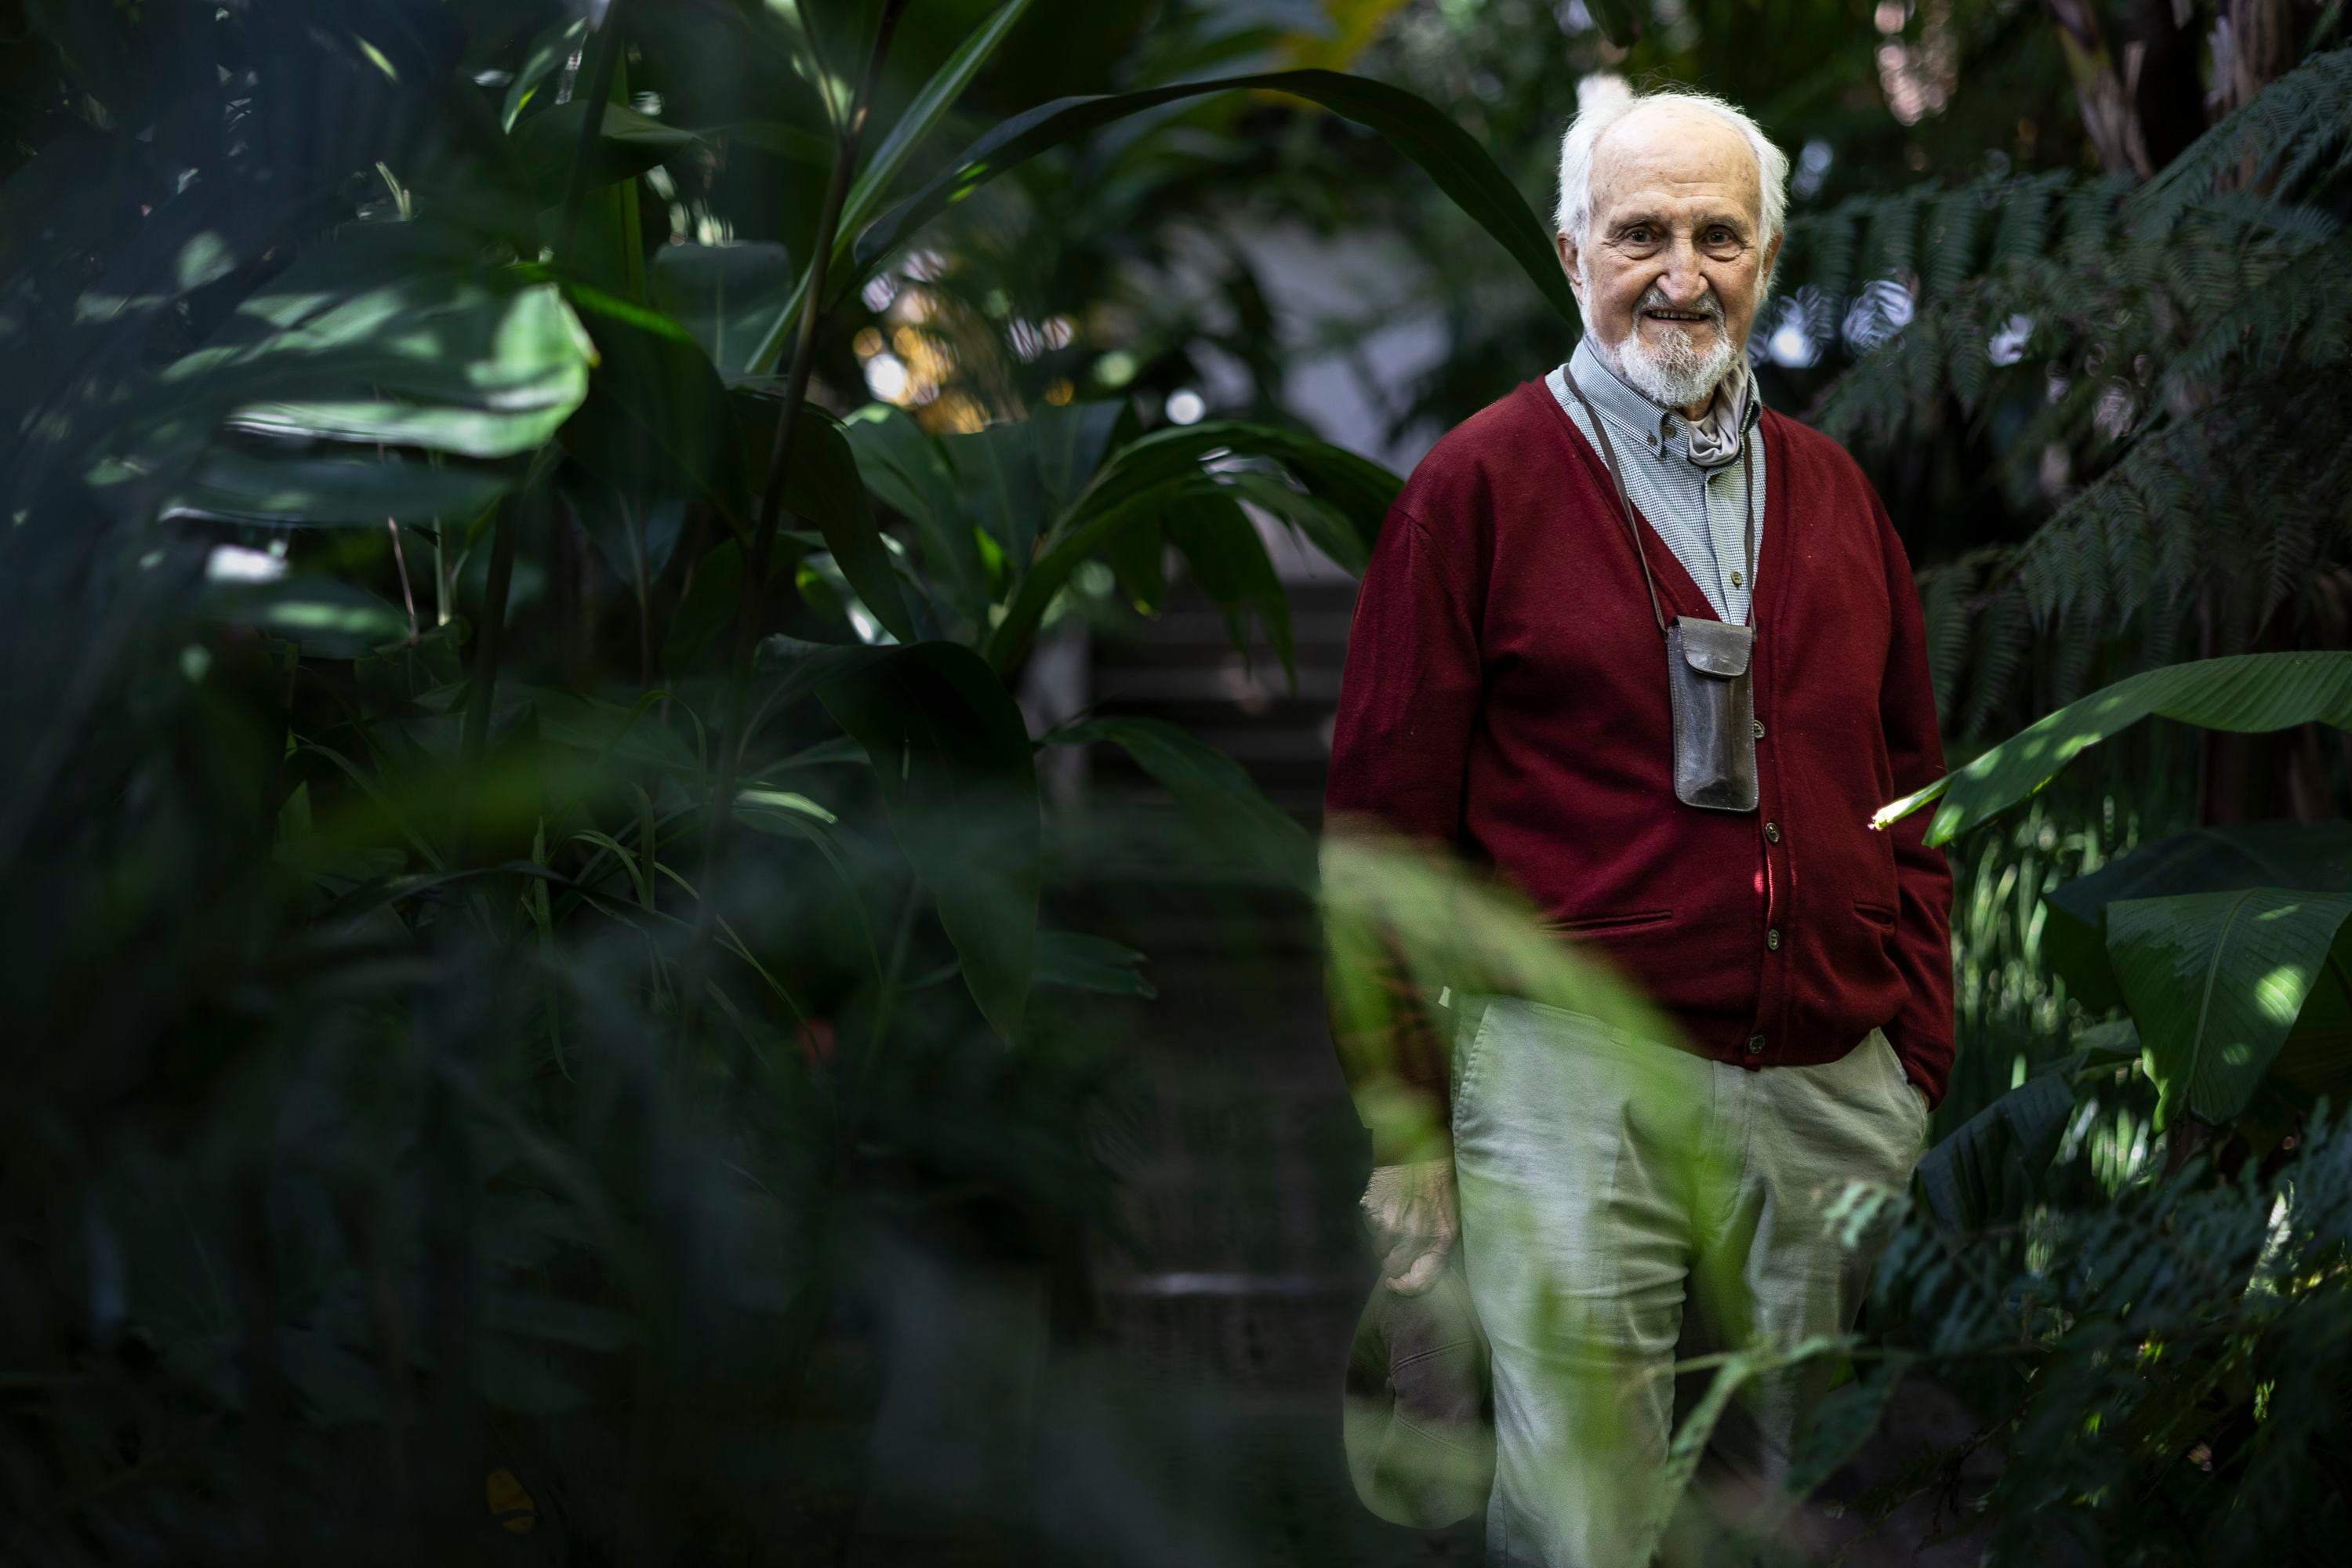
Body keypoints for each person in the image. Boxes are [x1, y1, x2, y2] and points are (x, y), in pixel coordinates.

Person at [1323, 78, 1955, 1566]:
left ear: (1770, 259)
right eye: (1642, 232)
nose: (1683, 272)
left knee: (1783, 1509)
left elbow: (1912, 783)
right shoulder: (1476, 487)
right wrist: (1407, 1120)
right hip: (1570, 1091)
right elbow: (1381, 839)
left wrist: (1910, 1050)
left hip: (1823, 1096)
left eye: (1721, 236)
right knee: (1585, 1526)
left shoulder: (1838, 494)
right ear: (1569, 254)